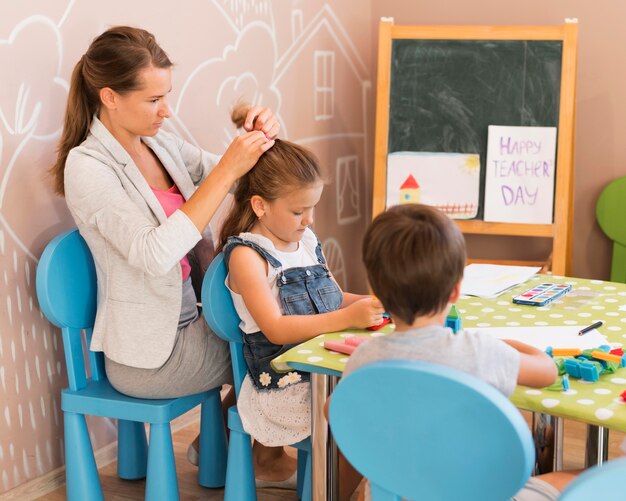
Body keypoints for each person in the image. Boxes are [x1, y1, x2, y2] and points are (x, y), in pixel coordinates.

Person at [51, 26, 279, 470]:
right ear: (110, 97)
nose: (166, 111)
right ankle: (261, 454)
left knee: (279, 324)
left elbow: (246, 177)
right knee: (276, 341)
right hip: (151, 354)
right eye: (153, 100)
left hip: (192, 321)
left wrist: (260, 137)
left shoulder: (159, 145)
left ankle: (245, 449)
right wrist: (224, 171)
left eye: (166, 95)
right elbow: (154, 253)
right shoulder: (88, 166)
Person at [340, 203, 579, 501]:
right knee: (582, 477)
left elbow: (336, 411)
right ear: (455, 291)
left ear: (374, 288)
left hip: (396, 490)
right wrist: (505, 343)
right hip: (481, 494)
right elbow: (547, 372)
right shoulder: (481, 350)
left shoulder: (365, 357)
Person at [219, 103, 385, 485]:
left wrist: (371, 302)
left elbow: (334, 296)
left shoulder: (305, 240)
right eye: (299, 211)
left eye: (312, 208)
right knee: (362, 406)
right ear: (260, 205)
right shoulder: (248, 254)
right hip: (283, 385)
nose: (309, 220)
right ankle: (344, 490)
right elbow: (275, 329)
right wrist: (346, 319)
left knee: (386, 383)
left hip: (320, 369)